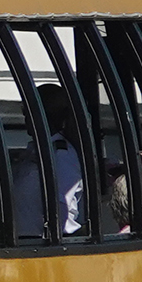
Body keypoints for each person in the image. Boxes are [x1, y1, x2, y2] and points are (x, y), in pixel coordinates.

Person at [8, 84, 87, 238]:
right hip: (25, 240)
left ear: (45, 115)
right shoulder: (36, 150)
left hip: (45, 244)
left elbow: (60, 203)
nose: (25, 118)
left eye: (27, 112)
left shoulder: (60, 154)